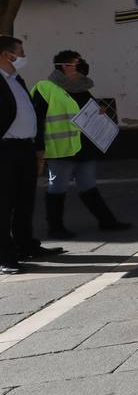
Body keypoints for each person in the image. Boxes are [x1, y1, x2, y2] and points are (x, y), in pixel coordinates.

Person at [31, 50, 130, 239]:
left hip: (85, 146)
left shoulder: (81, 88)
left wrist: (99, 111)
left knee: (88, 185)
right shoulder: (45, 88)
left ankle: (107, 221)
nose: (81, 66)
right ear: (64, 67)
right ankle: (55, 227)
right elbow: (37, 119)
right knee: (57, 188)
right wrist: (39, 149)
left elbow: (88, 110)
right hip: (60, 149)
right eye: (77, 63)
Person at [0, 37, 65, 274]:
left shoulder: (17, 79)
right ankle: (5, 257)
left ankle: (25, 245)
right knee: (3, 204)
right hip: (5, 150)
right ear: (7, 55)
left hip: (25, 148)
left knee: (25, 201)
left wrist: (38, 147)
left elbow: (28, 112)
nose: (24, 56)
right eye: (21, 52)